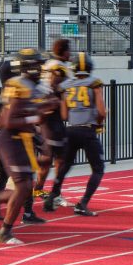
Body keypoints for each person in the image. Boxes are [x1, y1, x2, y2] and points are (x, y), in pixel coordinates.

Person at [0, 48, 46, 246]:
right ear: (28, 67)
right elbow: (9, 121)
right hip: (11, 138)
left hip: (23, 137)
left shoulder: (34, 85)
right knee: (23, 186)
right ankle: (4, 231)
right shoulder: (18, 85)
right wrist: (36, 118)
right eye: (37, 65)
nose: (41, 68)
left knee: (26, 186)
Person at [44, 53, 106, 216]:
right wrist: (98, 122)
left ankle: (52, 196)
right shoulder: (95, 84)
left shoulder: (66, 85)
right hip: (87, 130)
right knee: (98, 168)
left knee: (65, 165)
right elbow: (101, 111)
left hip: (70, 129)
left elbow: (64, 115)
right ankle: (83, 203)